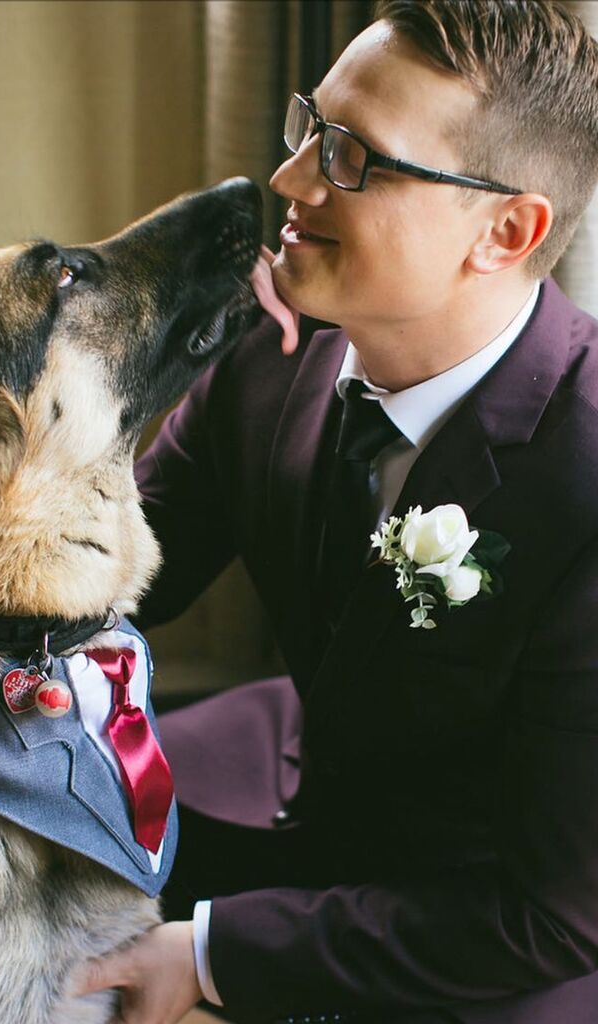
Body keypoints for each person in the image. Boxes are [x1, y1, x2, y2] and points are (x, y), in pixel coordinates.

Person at [75, 2, 598, 1022]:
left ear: (507, 231)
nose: (291, 180)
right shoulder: (268, 354)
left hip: (487, 913)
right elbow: (107, 585)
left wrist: (209, 956)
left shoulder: (587, 485)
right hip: (286, 776)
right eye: (311, 126)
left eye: (355, 158)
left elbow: (553, 910)